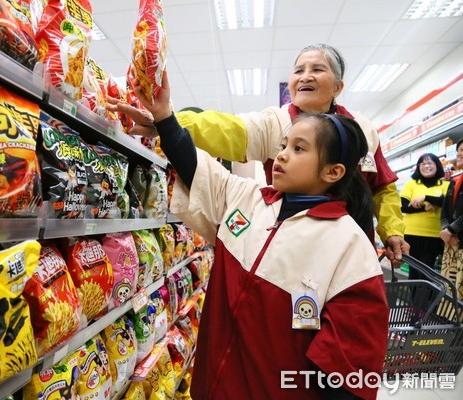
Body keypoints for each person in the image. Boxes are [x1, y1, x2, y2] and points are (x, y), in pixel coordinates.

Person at [133, 71, 389, 399]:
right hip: (212, 388)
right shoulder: (249, 199)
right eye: (283, 145)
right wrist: (164, 115)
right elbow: (196, 168)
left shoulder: (350, 248)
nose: (281, 155)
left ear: (333, 171)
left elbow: (349, 369)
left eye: (299, 149)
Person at [108, 43, 409, 262]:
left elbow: (382, 186)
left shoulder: (364, 130)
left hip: (348, 246)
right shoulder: (275, 122)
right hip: (288, 239)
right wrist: (166, 123)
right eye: (298, 70)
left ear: (338, 87)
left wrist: (392, 230)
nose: (305, 76)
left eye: (317, 69)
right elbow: (226, 129)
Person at [400, 153, 447, 278]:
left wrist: (424, 197)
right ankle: (414, 298)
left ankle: (424, 298)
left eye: (430, 163)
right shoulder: (411, 184)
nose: (426, 166)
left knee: (426, 272)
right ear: (418, 167)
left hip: (434, 234)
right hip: (411, 233)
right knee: (413, 272)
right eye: (423, 163)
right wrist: (426, 207)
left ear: (437, 165)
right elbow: (403, 206)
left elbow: (445, 202)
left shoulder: (445, 185)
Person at [439, 139, 463, 301]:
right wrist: (446, 228)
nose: (460, 153)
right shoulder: (454, 181)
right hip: (451, 243)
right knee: (451, 286)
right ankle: (452, 321)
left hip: (458, 238)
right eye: (459, 150)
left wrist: (451, 230)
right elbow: (445, 210)